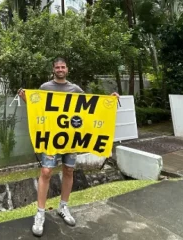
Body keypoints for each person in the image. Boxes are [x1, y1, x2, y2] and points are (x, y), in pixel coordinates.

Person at [18, 57, 119, 237]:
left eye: (62, 66)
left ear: (67, 69)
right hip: (51, 139)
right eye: (57, 67)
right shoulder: (45, 88)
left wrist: (109, 102)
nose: (60, 69)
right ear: (53, 69)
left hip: (71, 139)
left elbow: (91, 109)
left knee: (69, 170)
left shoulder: (75, 89)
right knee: (46, 172)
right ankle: (40, 213)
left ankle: (63, 207)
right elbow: (37, 108)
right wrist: (26, 99)